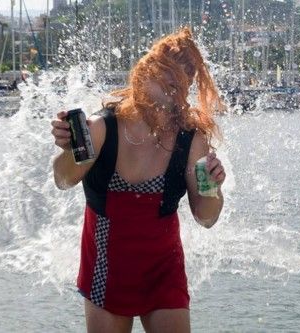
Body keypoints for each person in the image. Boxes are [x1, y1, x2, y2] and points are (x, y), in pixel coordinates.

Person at [51, 27, 226, 333]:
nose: (176, 89)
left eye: (184, 83)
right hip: (106, 269)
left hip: (164, 271)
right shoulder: (100, 127)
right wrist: (70, 149)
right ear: (145, 72)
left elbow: (206, 217)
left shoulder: (191, 140)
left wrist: (214, 186)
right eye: (169, 78)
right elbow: (63, 180)